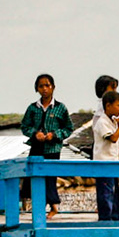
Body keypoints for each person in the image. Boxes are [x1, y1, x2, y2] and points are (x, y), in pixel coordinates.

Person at [21, 73, 71, 218]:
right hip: (36, 147)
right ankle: (42, 207)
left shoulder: (60, 108)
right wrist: (35, 133)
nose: (45, 89)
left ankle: (53, 206)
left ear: (53, 87)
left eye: (47, 85)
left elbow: (68, 128)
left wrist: (54, 135)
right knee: (35, 176)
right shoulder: (32, 108)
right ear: (36, 89)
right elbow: (24, 126)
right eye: (41, 86)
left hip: (53, 148)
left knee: (50, 177)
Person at [92, 88, 119, 221]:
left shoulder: (112, 121)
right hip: (103, 163)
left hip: (112, 162)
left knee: (114, 192)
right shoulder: (102, 122)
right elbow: (113, 138)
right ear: (108, 106)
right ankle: (106, 218)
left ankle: (116, 216)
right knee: (106, 193)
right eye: (118, 105)